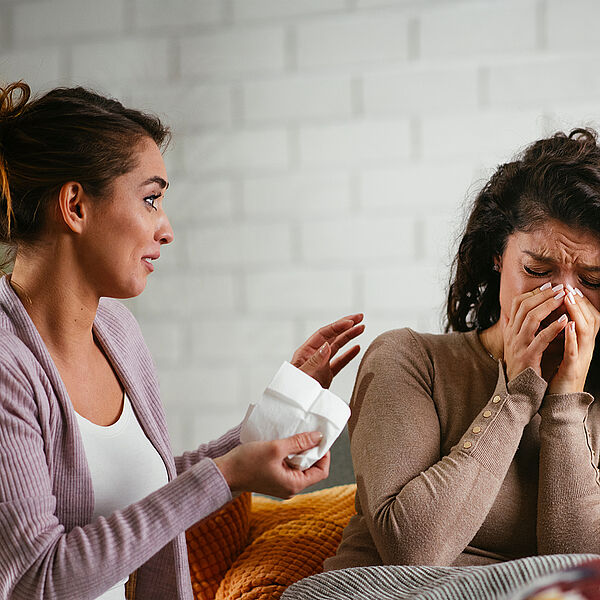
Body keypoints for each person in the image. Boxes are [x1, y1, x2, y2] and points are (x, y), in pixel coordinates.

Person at [0, 81, 364, 600]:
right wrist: (226, 476)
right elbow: (37, 578)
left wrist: (280, 414)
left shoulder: (118, 332)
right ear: (75, 206)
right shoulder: (7, 366)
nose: (166, 229)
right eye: (150, 200)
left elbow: (157, 490)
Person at [326, 128, 600, 571]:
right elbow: (413, 552)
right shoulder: (409, 360)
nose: (565, 300)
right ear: (497, 255)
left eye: (593, 282)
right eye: (537, 269)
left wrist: (566, 400)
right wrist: (516, 395)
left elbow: (584, 575)